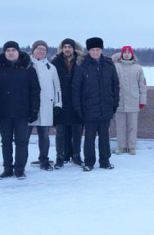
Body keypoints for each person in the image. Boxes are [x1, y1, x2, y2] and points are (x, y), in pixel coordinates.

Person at [0, 41, 40, 180]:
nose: (11, 53)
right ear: (4, 53)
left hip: (22, 112)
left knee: (21, 142)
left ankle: (19, 168)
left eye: (13, 50)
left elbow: (35, 91)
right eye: (8, 51)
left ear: (18, 52)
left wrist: (34, 110)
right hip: (3, 112)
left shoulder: (28, 69)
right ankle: (7, 169)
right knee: (5, 142)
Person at [72, 37, 120, 171]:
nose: (95, 52)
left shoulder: (109, 65)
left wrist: (114, 102)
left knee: (104, 137)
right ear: (88, 51)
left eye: (97, 49)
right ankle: (89, 162)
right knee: (89, 138)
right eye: (92, 50)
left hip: (105, 107)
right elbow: (76, 89)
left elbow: (115, 85)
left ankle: (105, 161)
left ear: (101, 50)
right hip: (88, 109)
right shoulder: (82, 65)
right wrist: (78, 108)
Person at [29, 40, 62, 170]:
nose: (41, 51)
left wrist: (57, 104)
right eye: (38, 48)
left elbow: (57, 87)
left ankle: (44, 160)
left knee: (44, 136)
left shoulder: (51, 67)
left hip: (46, 107)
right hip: (29, 107)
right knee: (23, 137)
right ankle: (19, 163)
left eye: (44, 49)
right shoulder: (27, 65)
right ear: (33, 51)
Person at [51, 39, 84, 167]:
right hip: (61, 101)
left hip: (77, 101)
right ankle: (60, 156)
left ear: (74, 49)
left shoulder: (81, 62)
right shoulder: (56, 62)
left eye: (69, 47)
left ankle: (76, 155)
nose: (67, 49)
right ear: (62, 48)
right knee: (60, 132)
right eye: (65, 47)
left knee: (77, 130)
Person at [112, 46, 147, 155]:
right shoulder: (115, 67)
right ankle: (121, 147)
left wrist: (142, 101)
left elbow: (142, 86)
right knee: (120, 126)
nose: (127, 54)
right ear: (121, 54)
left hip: (133, 100)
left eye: (129, 52)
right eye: (125, 52)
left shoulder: (138, 68)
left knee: (132, 126)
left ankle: (131, 147)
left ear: (132, 54)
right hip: (119, 101)